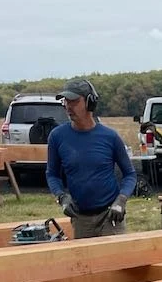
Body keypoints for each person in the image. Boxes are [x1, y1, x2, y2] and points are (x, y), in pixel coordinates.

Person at [46, 78, 136, 239]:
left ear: (90, 102)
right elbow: (52, 174)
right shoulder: (57, 136)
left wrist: (121, 200)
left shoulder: (110, 137)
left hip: (110, 216)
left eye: (74, 101)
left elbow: (130, 174)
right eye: (66, 101)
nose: (68, 106)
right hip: (80, 218)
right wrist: (62, 197)